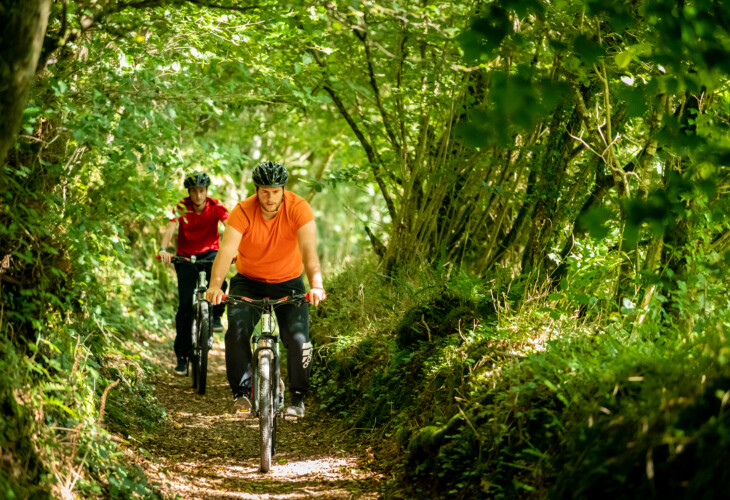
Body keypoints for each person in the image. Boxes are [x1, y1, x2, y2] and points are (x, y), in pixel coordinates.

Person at [205, 161, 325, 419]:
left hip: (289, 281)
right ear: (257, 190)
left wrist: (316, 284)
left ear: (284, 190)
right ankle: (241, 395)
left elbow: (309, 251)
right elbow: (226, 252)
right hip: (248, 281)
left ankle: (298, 399)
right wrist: (215, 284)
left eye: (275, 191)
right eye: (264, 191)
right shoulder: (243, 212)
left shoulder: (299, 209)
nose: (270, 198)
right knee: (236, 333)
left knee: (299, 340)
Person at [160, 171, 229, 375]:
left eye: (201, 191)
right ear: (188, 193)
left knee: (220, 281)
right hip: (185, 257)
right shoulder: (182, 207)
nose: (198, 195)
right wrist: (164, 249)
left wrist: (235, 251)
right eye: (194, 191)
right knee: (184, 308)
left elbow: (231, 225)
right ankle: (182, 356)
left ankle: (216, 315)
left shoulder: (216, 207)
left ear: (206, 191)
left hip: (210, 253)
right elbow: (170, 227)